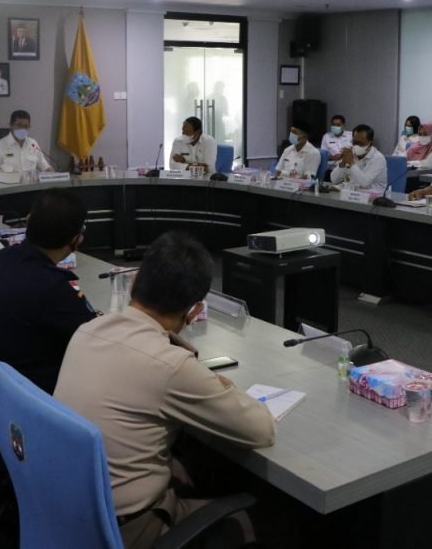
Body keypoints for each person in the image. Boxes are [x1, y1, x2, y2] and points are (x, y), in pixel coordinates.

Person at [54, 232, 275, 549]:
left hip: (71, 508)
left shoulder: (87, 330)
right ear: (194, 311)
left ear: (134, 282)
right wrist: (221, 386)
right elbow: (261, 430)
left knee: (190, 466)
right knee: (250, 521)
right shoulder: (171, 366)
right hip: (125, 530)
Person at [0, 190, 97, 417]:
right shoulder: (53, 286)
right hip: (24, 397)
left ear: (29, 222)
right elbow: (92, 337)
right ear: (76, 238)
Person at [0, 109, 53, 177]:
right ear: (10, 125)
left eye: (26, 126)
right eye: (19, 125)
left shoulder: (33, 144)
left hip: (31, 185)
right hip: (9, 185)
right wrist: (8, 178)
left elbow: (45, 166)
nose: (22, 129)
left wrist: (54, 174)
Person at [330, 124, 388, 191]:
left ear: (370, 143)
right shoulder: (350, 153)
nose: (357, 146)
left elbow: (365, 183)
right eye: (355, 142)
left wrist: (351, 163)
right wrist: (343, 163)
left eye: (361, 143)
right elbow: (333, 179)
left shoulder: (378, 158)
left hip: (372, 197)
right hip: (351, 194)